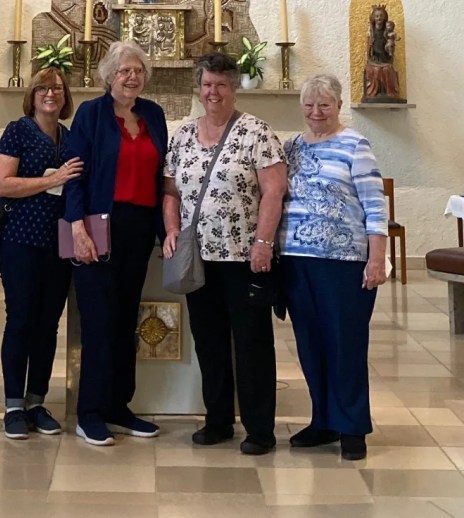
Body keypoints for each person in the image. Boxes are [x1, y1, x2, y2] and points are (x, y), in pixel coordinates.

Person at [162, 53, 287, 455]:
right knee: (208, 341)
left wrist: (263, 243)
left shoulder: (256, 132)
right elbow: (170, 191)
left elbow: (274, 191)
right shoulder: (183, 135)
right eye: (206, 84)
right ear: (198, 89)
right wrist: (171, 229)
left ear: (233, 88)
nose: (212, 92)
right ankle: (218, 420)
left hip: (244, 257)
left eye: (220, 84)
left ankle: (259, 429)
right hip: (198, 257)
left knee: (251, 343)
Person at [63, 41, 168, 446]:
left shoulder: (153, 114)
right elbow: (74, 174)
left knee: (126, 320)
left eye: (138, 70)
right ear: (109, 76)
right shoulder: (91, 113)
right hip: (96, 225)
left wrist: (167, 228)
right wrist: (76, 227)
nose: (132, 77)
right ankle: (89, 412)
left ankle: (118, 406)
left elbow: (164, 174)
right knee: (98, 321)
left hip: (138, 228)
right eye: (124, 70)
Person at [279, 74, 387, 461]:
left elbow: (375, 206)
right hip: (296, 260)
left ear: (338, 106)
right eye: (309, 105)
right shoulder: (291, 147)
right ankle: (323, 420)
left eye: (324, 105)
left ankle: (352, 426)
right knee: (310, 345)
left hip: (343, 262)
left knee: (345, 344)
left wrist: (377, 258)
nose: (316, 112)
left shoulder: (355, 144)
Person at [0, 68, 83, 440]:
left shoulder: (69, 136)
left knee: (48, 323)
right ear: (32, 95)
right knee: (21, 319)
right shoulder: (18, 130)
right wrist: (52, 179)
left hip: (58, 241)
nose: (50, 94)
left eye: (57, 89)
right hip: (20, 239)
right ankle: (14, 405)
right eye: (43, 88)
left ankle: (36, 401)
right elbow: (2, 185)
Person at [364, 5, 402, 101]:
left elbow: (391, 43)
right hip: (375, 59)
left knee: (388, 69)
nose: (379, 18)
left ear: (385, 17)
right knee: (376, 70)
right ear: (373, 18)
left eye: (381, 16)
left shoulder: (387, 31)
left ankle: (390, 93)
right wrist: (369, 56)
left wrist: (391, 48)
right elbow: (369, 49)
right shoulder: (371, 32)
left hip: (385, 58)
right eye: (377, 16)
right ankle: (374, 93)